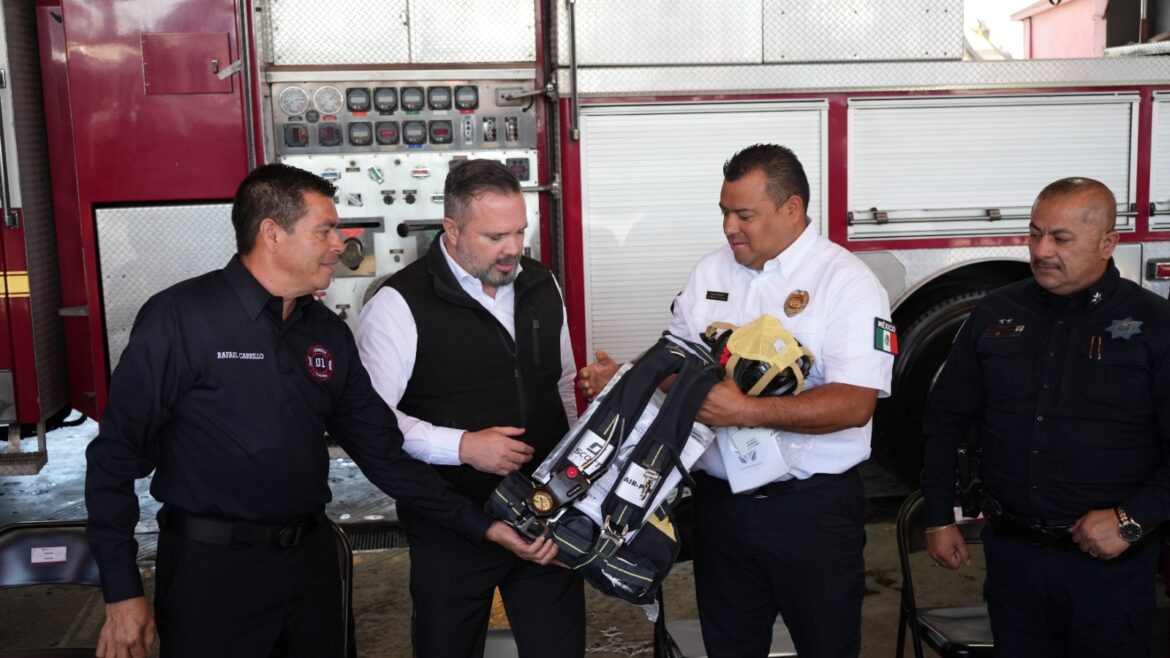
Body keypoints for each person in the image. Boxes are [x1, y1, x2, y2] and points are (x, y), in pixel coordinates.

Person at [84, 163, 554, 658]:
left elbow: (384, 454)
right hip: (212, 574)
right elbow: (114, 459)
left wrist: (485, 526)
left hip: (311, 570)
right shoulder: (182, 319)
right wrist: (122, 590)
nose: (340, 244)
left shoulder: (325, 334)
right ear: (272, 234)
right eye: (325, 230)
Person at [580, 143, 895, 658]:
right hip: (720, 508)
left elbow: (854, 404)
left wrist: (746, 411)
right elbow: (675, 362)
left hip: (811, 512)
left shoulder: (846, 283)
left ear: (791, 209)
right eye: (724, 212)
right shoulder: (711, 272)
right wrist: (629, 378)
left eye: (744, 215)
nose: (729, 227)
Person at [921, 177, 1170, 657]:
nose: (1041, 251)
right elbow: (945, 418)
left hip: (1110, 573)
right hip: (1013, 563)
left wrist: (1132, 520)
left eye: (1060, 238)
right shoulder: (996, 312)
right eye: (1034, 234)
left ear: (1107, 243)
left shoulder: (1154, 325)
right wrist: (938, 517)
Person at [355, 159, 584, 658]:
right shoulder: (398, 304)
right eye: (495, 236)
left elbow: (562, 386)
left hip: (542, 518)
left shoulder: (542, 284)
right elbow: (372, 421)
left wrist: (571, 485)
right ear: (453, 229)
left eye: (519, 232)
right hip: (452, 526)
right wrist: (462, 447)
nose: (513, 249)